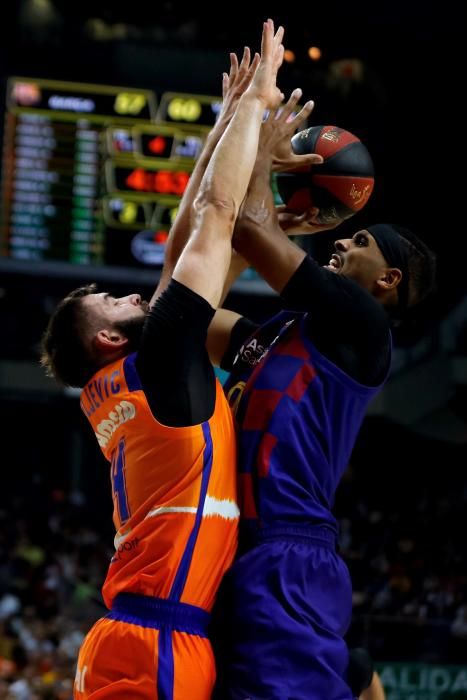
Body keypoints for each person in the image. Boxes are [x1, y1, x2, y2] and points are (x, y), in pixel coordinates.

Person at [39, 20, 286, 699]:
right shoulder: (154, 367)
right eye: (115, 302)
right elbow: (211, 214)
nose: (132, 294)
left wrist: (227, 125)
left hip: (144, 637)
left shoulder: (136, 380)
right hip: (155, 644)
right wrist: (254, 105)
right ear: (108, 341)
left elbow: (188, 239)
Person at [207, 90, 437, 699]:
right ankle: (357, 676)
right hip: (236, 545)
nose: (340, 241)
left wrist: (265, 158)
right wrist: (271, 224)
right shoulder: (283, 334)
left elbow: (251, 231)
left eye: (360, 243)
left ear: (387, 281)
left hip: (287, 550)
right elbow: (189, 316)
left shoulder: (363, 326)